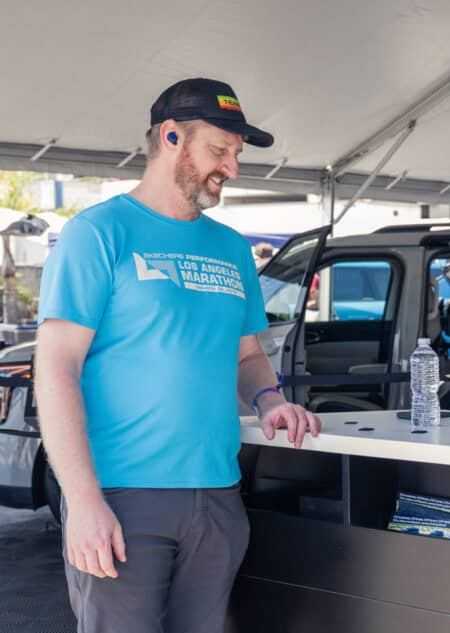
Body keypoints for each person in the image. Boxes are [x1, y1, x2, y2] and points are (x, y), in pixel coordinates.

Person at [35, 77, 321, 633]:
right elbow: (56, 369)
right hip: (122, 496)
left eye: (236, 154)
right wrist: (84, 502)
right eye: (220, 150)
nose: (232, 168)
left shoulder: (231, 248)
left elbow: (246, 358)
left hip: (216, 495)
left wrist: (269, 401)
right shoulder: (98, 234)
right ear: (171, 137)